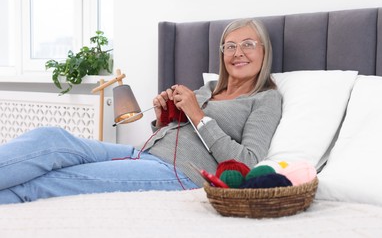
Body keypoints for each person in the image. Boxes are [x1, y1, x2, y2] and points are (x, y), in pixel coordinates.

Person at [0, 19, 282, 204]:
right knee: (51, 139)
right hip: (142, 154)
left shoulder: (265, 99)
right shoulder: (208, 89)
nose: (237, 53)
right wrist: (161, 121)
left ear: (264, 51)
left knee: (45, 184)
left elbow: (248, 162)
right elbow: (175, 136)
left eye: (248, 44)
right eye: (230, 46)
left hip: (180, 175)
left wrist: (198, 115)